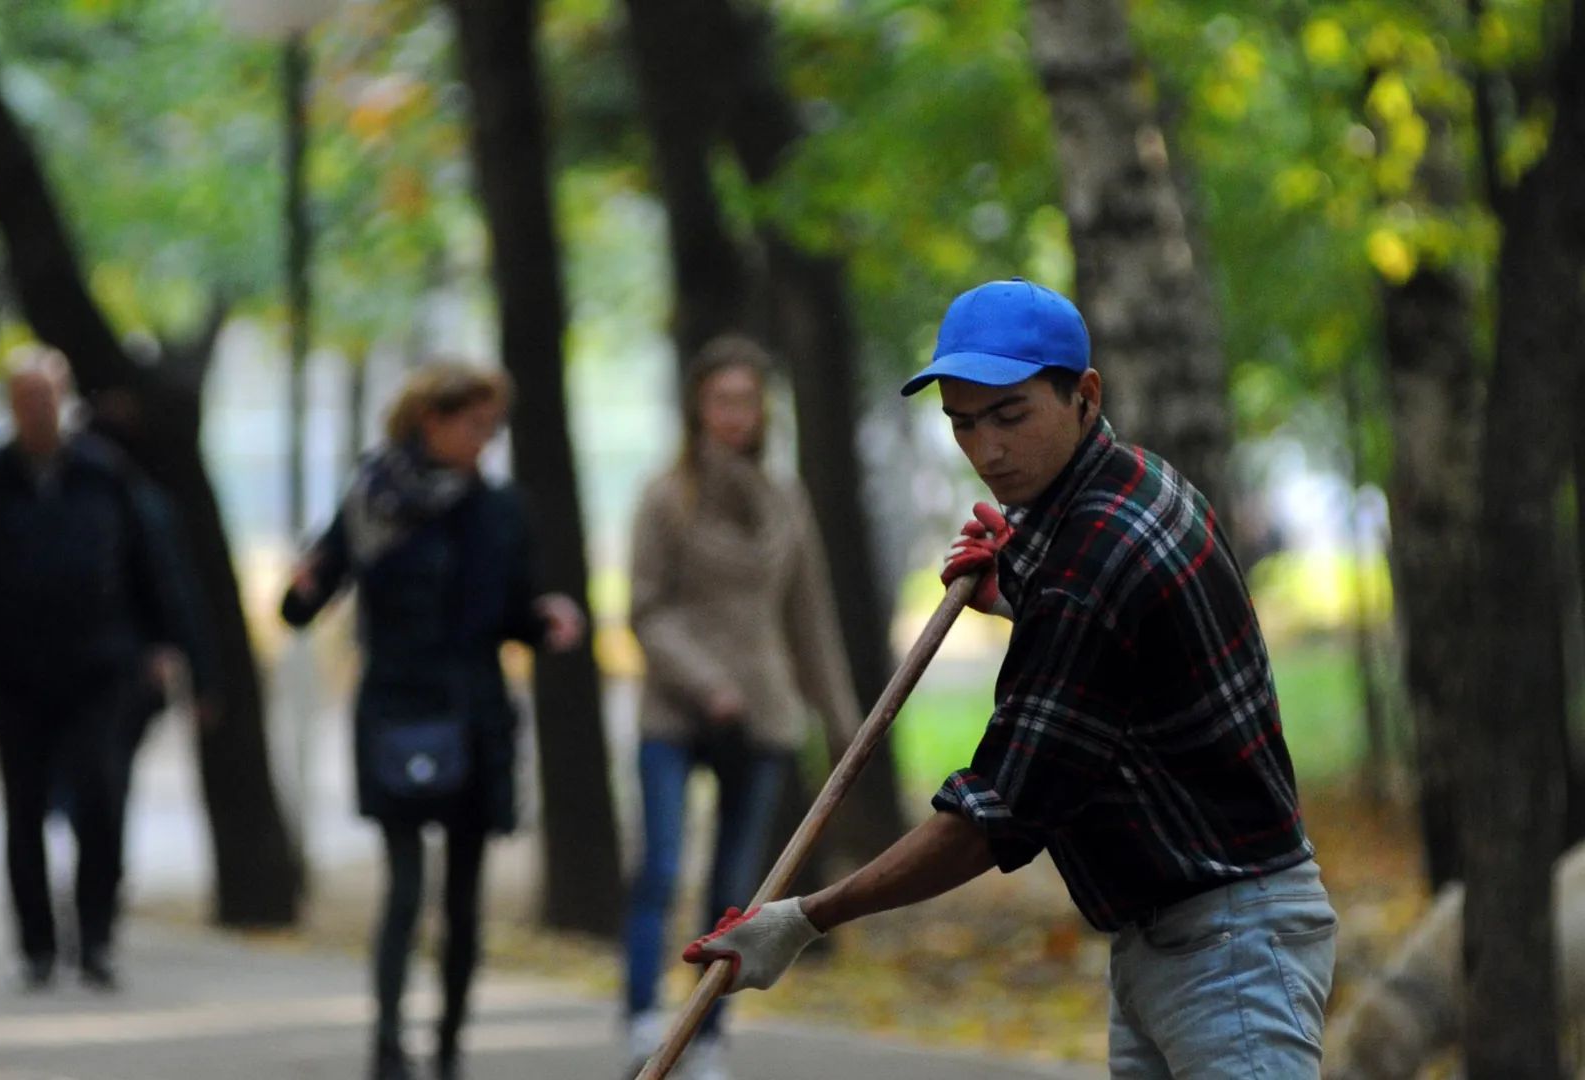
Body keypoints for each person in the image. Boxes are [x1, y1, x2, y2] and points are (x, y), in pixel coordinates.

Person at [679, 279, 1335, 1079]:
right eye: (963, 422)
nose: (987, 451)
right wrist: (1012, 587)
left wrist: (805, 918)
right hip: (1181, 937)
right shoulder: (1134, 483)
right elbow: (1113, 648)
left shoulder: (1090, 560)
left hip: (1229, 950)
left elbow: (995, 817)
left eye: (1011, 415)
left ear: (1083, 394)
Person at [279, 361, 585, 1080]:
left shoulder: (502, 506)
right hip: (398, 707)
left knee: (465, 896)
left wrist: (545, 619)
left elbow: (515, 608)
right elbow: (311, 593)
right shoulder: (372, 499)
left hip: (476, 715)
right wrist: (300, 589)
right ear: (430, 420)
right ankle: (388, 1046)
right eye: (473, 423)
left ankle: (449, 1047)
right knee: (406, 885)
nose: (485, 439)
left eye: (492, 426)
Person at [0, 348, 209, 992]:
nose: (37, 411)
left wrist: (167, 643)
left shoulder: (107, 477)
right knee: (23, 809)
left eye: (47, 398)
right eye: (25, 400)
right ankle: (38, 947)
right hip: (15, 668)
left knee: (100, 798)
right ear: (10, 407)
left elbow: (152, 566)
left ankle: (97, 938)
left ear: (65, 400)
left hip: (100, 667)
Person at [620, 335, 862, 1080]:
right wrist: (703, 682)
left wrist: (846, 722)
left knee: (736, 892)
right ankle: (641, 1021)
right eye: (721, 399)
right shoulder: (666, 496)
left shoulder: (787, 498)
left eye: (747, 400)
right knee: (659, 868)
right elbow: (646, 609)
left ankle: (709, 1033)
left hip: (761, 715)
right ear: (699, 406)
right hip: (675, 710)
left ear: (764, 411)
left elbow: (809, 616)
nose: (734, 414)